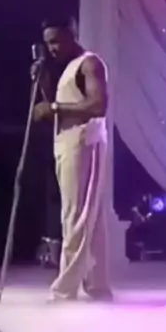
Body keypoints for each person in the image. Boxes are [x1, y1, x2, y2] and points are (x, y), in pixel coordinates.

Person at [33, 19, 112, 301]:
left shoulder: (89, 63)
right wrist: (42, 82)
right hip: (68, 143)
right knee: (89, 217)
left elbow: (98, 105)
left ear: (72, 34)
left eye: (56, 40)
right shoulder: (67, 68)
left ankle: (64, 289)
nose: (52, 48)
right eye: (48, 43)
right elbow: (55, 107)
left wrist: (54, 107)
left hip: (83, 143)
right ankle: (96, 284)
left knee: (75, 215)